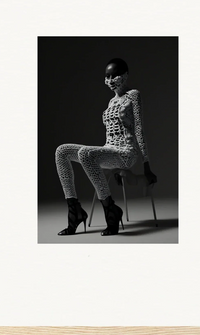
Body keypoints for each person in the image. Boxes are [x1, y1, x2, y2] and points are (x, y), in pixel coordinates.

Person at [55, 58, 157, 236]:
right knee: (62, 151)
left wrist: (146, 164)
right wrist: (107, 158)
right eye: (107, 76)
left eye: (115, 75)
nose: (110, 80)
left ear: (125, 75)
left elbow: (139, 129)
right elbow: (110, 136)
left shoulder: (133, 95)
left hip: (126, 153)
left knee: (86, 153)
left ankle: (110, 209)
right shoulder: (111, 102)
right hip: (109, 150)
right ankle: (75, 211)